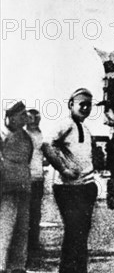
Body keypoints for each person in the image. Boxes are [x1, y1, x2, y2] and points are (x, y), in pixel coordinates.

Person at [42, 88, 99, 273]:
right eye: (81, 104)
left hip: (86, 186)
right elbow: (47, 145)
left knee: (81, 233)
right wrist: (63, 169)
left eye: (88, 105)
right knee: (74, 231)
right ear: (71, 105)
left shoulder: (86, 128)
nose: (85, 108)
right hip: (68, 188)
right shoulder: (65, 124)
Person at [0, 101, 33, 273]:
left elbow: (27, 160)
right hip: (5, 191)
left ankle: (18, 267)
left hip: (23, 188)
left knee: (21, 231)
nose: (26, 118)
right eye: (21, 115)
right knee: (4, 231)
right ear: (11, 118)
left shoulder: (26, 137)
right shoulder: (2, 136)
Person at [25, 109, 45, 260]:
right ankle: (29, 243)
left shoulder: (40, 135)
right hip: (27, 178)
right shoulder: (23, 136)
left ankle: (32, 242)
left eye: (35, 118)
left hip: (37, 177)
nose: (33, 121)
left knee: (35, 212)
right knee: (29, 212)